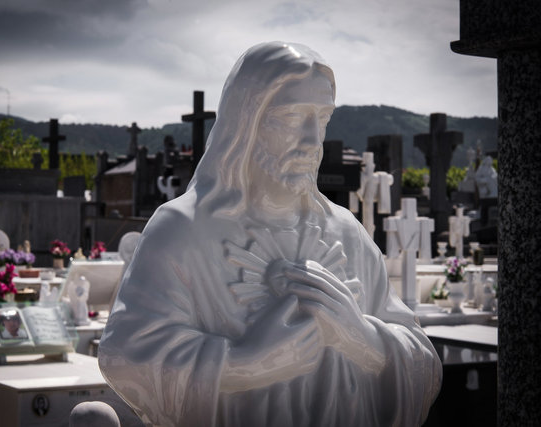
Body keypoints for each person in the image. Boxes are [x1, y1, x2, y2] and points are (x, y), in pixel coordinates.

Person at [98, 42, 441, 427]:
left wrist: (362, 339)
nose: (313, 141)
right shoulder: (183, 230)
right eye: (292, 118)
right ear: (246, 122)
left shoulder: (347, 234)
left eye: (323, 119)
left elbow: (425, 364)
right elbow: (125, 356)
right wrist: (245, 365)